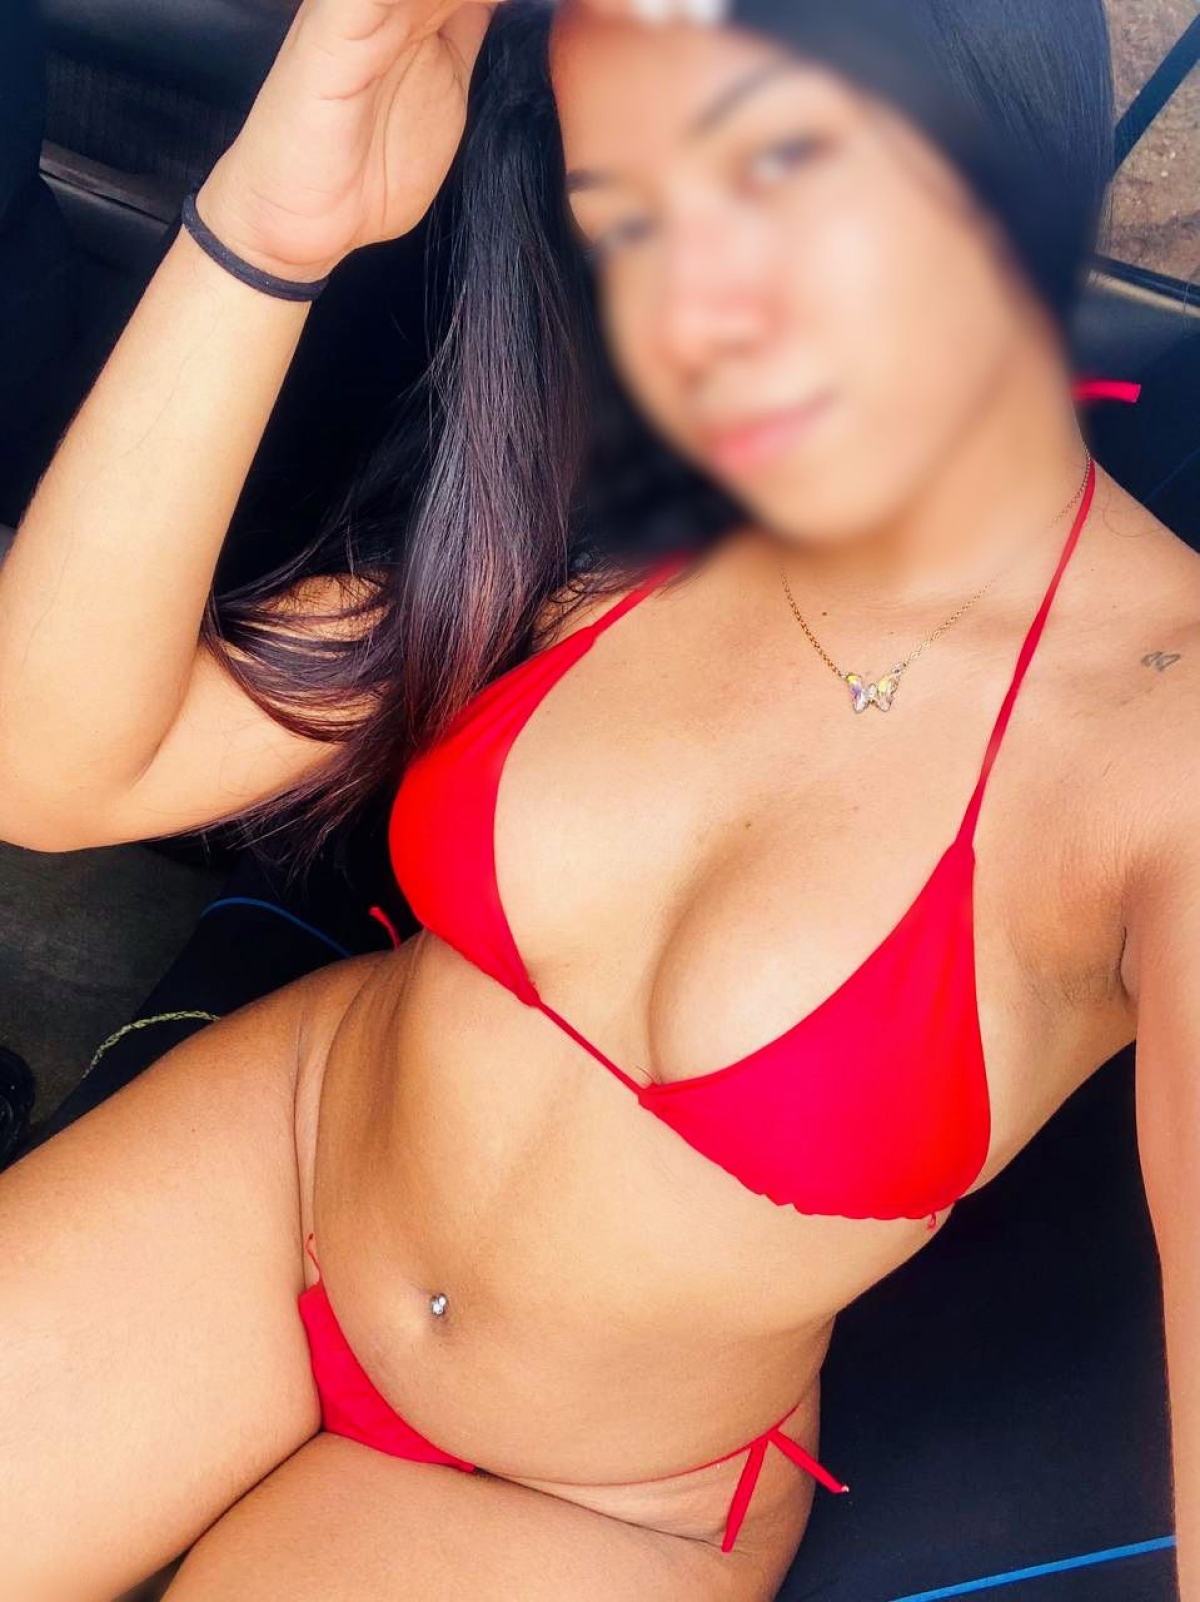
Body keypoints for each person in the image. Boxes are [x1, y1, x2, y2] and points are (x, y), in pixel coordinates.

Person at [0, 1, 1194, 1599]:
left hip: (605, 1498)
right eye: (624, 220)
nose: (698, 316)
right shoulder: (609, 500)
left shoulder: (1163, 743)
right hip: (280, 1172)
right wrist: (274, 225)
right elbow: (58, 768)